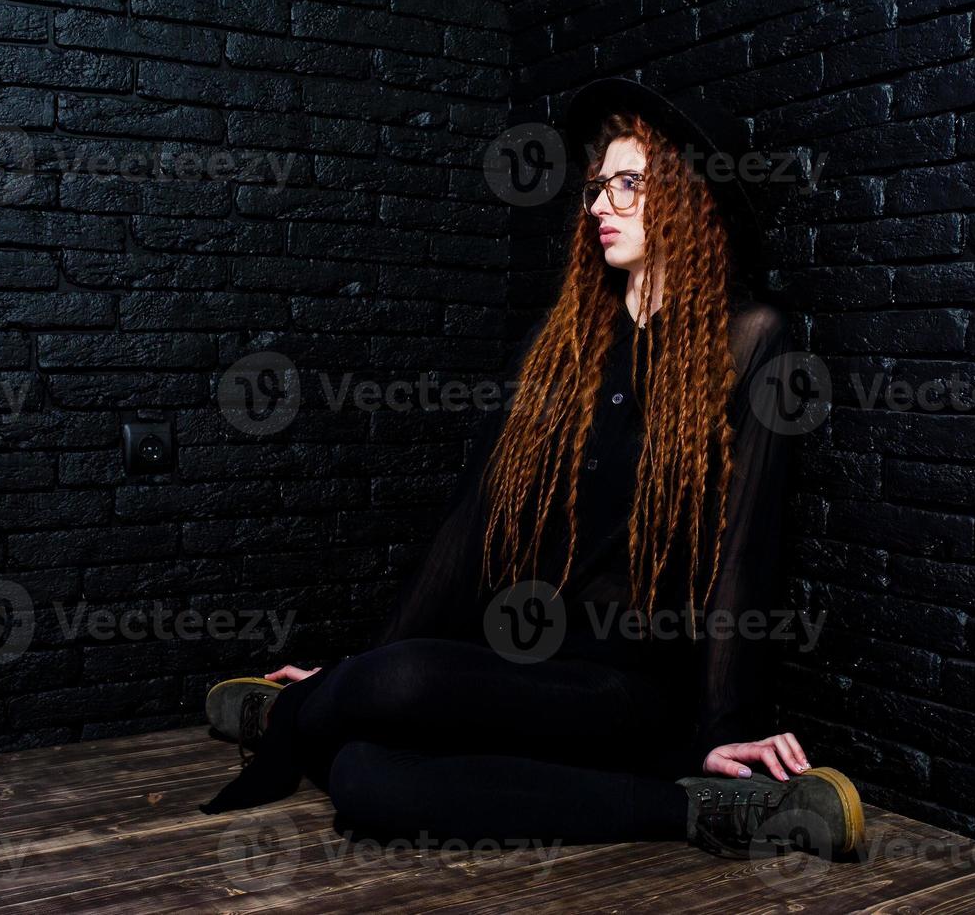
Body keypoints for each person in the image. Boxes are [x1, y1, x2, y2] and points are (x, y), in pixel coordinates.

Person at [197, 77, 864, 861]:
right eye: (597, 187)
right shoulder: (564, 344)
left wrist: (726, 725)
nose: (598, 207)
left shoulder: (750, 341)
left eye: (627, 185)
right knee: (366, 777)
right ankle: (700, 808)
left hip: (625, 684)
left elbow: (743, 558)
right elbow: (468, 526)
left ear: (690, 198)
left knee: (398, 687)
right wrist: (368, 665)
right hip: (520, 662)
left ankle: (292, 711)